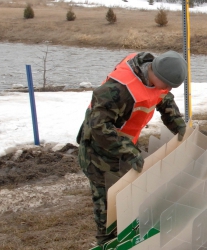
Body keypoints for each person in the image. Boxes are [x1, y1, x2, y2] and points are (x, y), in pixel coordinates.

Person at [76, 51, 187, 246]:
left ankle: (127, 237)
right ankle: (105, 243)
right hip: (98, 150)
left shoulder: (157, 79)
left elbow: (164, 99)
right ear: (155, 74)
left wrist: (180, 127)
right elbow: (99, 126)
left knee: (128, 193)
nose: (168, 88)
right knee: (107, 202)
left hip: (124, 143)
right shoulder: (117, 89)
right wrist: (129, 151)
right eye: (167, 84)